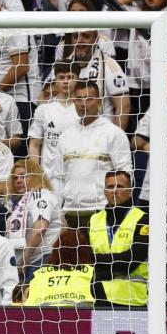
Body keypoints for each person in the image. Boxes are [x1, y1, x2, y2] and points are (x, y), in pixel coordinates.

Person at [57, 80, 132, 228]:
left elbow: (126, 174)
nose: (82, 104)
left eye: (88, 99)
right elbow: (57, 176)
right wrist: (58, 210)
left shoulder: (113, 133)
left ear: (99, 102)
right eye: (78, 99)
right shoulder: (65, 136)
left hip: (102, 212)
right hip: (70, 212)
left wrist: (117, 209)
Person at [88, 170, 149, 308]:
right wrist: (116, 262)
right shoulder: (93, 220)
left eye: (119, 186)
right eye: (110, 187)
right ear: (104, 192)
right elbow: (85, 259)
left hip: (132, 299)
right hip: (98, 296)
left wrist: (99, 262)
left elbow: (132, 260)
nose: (114, 191)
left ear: (131, 191)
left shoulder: (143, 219)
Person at [6, 158, 62, 285]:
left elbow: (39, 229)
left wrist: (24, 261)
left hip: (40, 260)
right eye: (15, 178)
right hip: (27, 263)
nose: (18, 180)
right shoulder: (16, 203)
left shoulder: (40, 195)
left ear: (36, 176)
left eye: (23, 176)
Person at [28, 62, 79, 186]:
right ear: (55, 80)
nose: (66, 81)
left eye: (70, 77)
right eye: (61, 77)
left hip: (76, 177)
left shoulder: (83, 110)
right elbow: (34, 145)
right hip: (49, 178)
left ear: (78, 79)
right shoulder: (43, 109)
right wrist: (36, 176)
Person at [24, 228, 94, 306]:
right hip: (82, 312)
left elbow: (28, 305)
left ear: (56, 250)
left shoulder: (39, 275)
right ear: (84, 250)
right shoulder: (91, 273)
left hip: (44, 313)